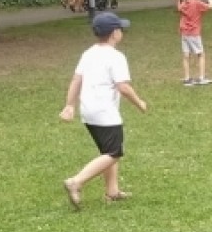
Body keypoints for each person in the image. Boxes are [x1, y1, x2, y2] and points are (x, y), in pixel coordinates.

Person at [59, 11, 148, 208]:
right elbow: (123, 87)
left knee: (107, 151)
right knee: (114, 153)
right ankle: (76, 182)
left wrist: (70, 105)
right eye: (120, 29)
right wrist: (139, 103)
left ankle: (112, 191)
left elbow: (76, 80)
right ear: (115, 33)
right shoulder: (116, 57)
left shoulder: (88, 53)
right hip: (105, 113)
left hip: (88, 111)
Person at [171, 0, 212, 84]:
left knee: (186, 55)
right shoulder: (197, 3)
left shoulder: (185, 3)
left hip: (185, 33)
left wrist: (177, 0)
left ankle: (187, 79)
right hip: (194, 33)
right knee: (201, 54)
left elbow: (179, 8)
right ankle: (201, 78)